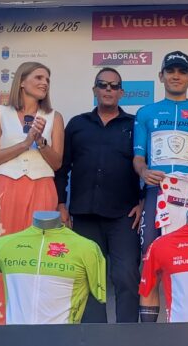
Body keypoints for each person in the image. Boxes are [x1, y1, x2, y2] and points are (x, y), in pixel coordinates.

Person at [55, 67, 143, 323]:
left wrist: (143, 202)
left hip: (124, 216)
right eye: (103, 85)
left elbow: (147, 165)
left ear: (121, 93)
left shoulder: (135, 125)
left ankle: (127, 337)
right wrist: (61, 203)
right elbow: (62, 168)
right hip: (84, 215)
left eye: (114, 86)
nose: (108, 89)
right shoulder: (77, 124)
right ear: (94, 90)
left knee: (126, 275)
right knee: (90, 278)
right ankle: (94, 337)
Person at [133, 51, 188, 308]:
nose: (176, 76)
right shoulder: (146, 112)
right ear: (161, 76)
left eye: (182, 72)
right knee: (150, 258)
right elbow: (138, 157)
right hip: (155, 193)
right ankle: (148, 331)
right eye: (171, 71)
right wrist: (144, 172)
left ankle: (187, 321)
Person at [0, 61, 64, 324]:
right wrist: (25, 142)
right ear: (21, 81)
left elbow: (57, 163)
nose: (44, 83)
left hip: (42, 188)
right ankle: (0, 325)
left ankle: (37, 325)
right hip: (6, 188)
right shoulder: (0, 113)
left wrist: (40, 143)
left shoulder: (54, 117)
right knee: (2, 254)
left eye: (48, 79)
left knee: (39, 256)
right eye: (39, 77)